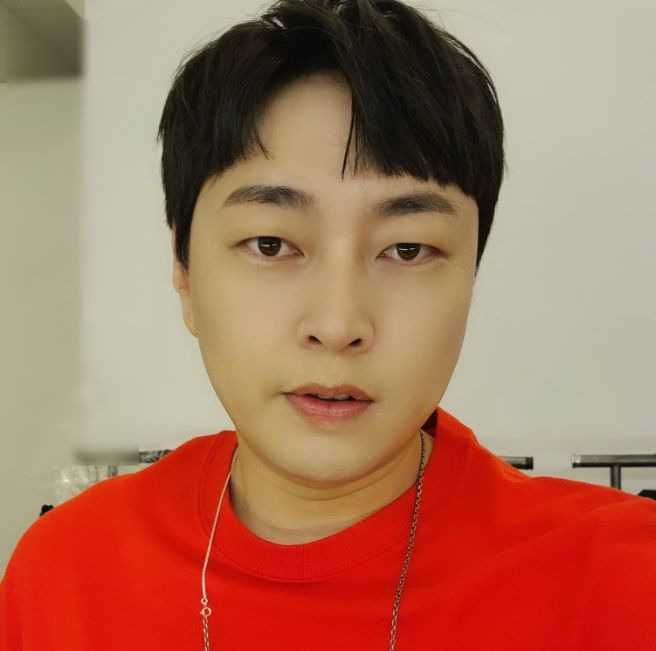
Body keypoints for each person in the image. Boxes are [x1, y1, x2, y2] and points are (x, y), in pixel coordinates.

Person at [1, 0, 655, 649]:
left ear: (471, 275)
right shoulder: (66, 571)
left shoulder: (623, 581)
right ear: (184, 269)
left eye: (407, 249)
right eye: (270, 243)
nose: (338, 325)